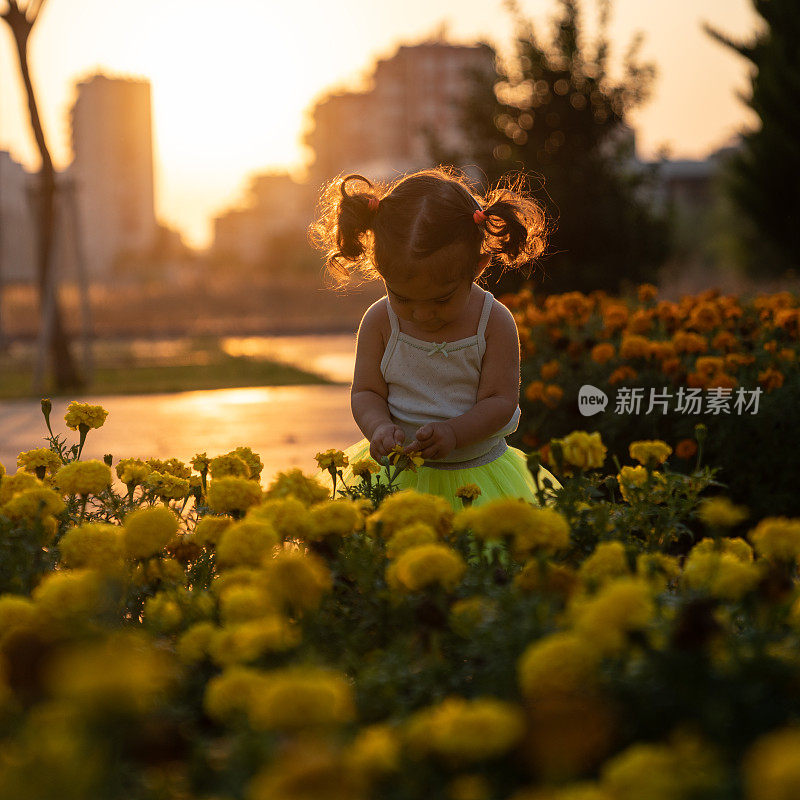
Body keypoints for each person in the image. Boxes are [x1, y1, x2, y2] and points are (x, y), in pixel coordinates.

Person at [309, 167, 561, 511]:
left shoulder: (493, 323)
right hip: (399, 479)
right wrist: (379, 427)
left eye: (441, 300)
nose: (421, 314)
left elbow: (500, 402)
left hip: (478, 477)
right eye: (402, 297)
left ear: (479, 265)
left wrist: (456, 434)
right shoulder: (380, 321)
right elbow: (366, 392)